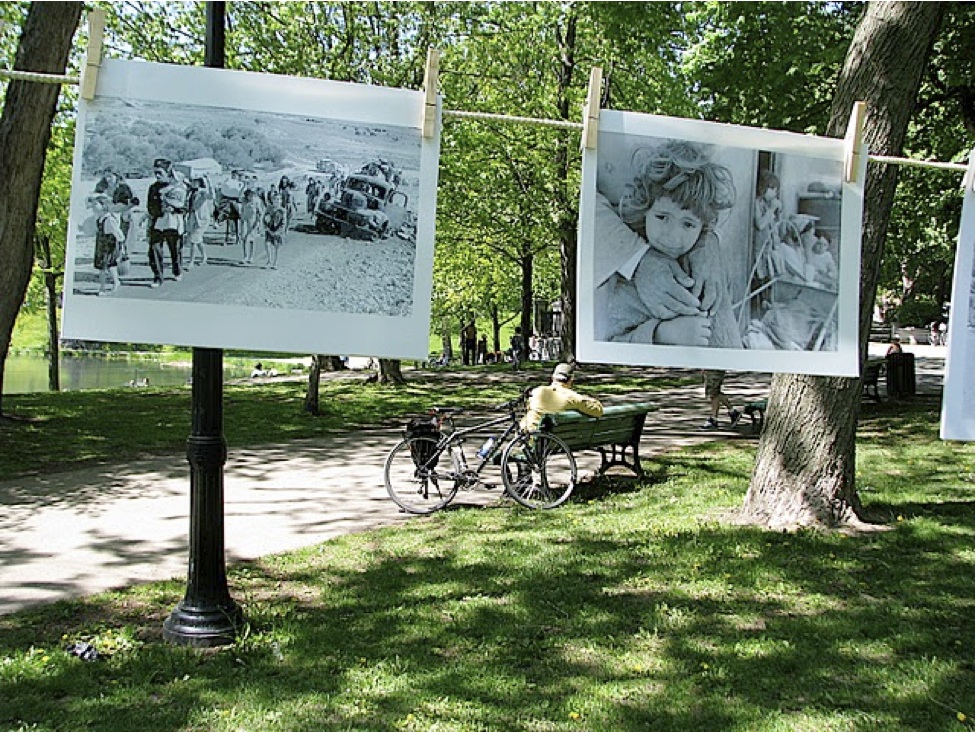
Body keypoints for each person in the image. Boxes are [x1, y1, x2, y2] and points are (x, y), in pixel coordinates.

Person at [595, 140, 738, 348]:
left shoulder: (710, 271)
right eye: (662, 217)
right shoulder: (631, 285)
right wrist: (660, 334)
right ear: (644, 211)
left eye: (688, 224)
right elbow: (615, 342)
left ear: (703, 227)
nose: (673, 236)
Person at [520, 362, 604, 432]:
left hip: (533, 440)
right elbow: (598, 411)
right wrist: (589, 399)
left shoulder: (537, 391)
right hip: (560, 442)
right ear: (571, 379)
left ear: (553, 377)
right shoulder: (573, 397)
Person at [146, 158, 188, 287]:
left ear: (168, 172)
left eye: (160, 172)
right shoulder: (153, 187)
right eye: (155, 173)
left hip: (173, 223)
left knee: (175, 248)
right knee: (154, 249)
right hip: (157, 221)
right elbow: (149, 206)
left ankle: (177, 270)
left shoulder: (178, 186)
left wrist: (175, 209)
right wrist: (157, 213)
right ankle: (158, 277)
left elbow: (185, 206)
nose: (157, 175)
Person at [88, 193, 124, 296]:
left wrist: (121, 247)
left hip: (109, 246)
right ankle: (116, 281)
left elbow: (118, 233)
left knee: (103, 267)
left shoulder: (109, 219)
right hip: (101, 245)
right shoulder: (100, 218)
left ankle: (102, 288)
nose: (94, 207)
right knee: (109, 266)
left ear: (103, 206)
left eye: (96, 205)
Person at [184, 176, 213, 268]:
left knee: (193, 240)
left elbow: (211, 196)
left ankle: (191, 262)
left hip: (202, 218)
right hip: (192, 217)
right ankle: (204, 256)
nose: (193, 183)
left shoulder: (202, 192)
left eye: (195, 182)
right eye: (192, 181)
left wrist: (209, 182)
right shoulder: (190, 192)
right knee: (197, 239)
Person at [262, 188, 286, 269]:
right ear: (272, 200)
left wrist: (278, 231)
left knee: (277, 246)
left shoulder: (282, 210)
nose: (277, 201)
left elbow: (283, 222)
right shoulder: (269, 208)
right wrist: (265, 227)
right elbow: (264, 217)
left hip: (277, 231)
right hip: (269, 229)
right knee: (267, 244)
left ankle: (275, 262)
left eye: (278, 199)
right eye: (275, 199)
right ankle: (269, 260)